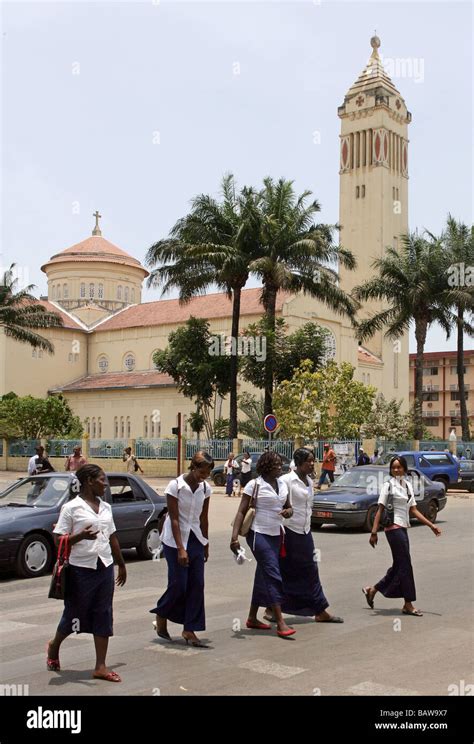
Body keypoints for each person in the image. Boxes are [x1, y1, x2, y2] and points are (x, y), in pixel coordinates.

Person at [47, 464, 127, 682]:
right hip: (80, 570)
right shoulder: (71, 508)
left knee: (104, 612)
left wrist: (120, 563)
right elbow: (58, 540)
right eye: (102, 480)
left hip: (104, 567)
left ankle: (100, 666)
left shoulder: (106, 508)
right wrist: (80, 536)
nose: (106, 484)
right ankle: (54, 646)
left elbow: (112, 537)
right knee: (74, 614)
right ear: (90, 481)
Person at [264, 448, 343, 625]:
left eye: (313, 460)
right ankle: (272, 607)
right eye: (308, 461)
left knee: (310, 569)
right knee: (286, 570)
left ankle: (319, 609)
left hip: (305, 531)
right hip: (289, 531)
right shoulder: (286, 481)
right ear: (299, 463)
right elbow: (276, 502)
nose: (312, 463)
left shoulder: (309, 481)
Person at [362, 455, 442, 616]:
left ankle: (372, 589)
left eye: (399, 467)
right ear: (391, 470)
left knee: (400, 564)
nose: (396, 470)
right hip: (393, 528)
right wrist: (373, 532)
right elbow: (380, 509)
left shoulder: (407, 486)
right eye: (394, 467)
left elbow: (413, 510)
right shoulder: (388, 486)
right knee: (405, 565)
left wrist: (431, 525)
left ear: (405, 469)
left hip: (403, 527)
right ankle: (408, 603)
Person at [149, 451, 214, 647]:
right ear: (193, 468)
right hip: (174, 540)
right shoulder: (175, 486)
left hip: (195, 537)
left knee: (197, 585)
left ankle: (189, 629)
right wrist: (180, 549)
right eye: (201, 472)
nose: (204, 477)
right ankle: (162, 613)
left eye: (207, 474)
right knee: (179, 585)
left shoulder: (205, 488)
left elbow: (203, 518)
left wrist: (206, 543)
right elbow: (174, 519)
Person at [230, 451, 295, 638]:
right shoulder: (254, 485)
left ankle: (252, 617)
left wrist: (288, 512)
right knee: (273, 574)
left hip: (277, 534)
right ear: (266, 466)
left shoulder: (282, 484)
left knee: (263, 574)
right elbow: (241, 512)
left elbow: (288, 506)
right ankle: (280, 622)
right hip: (258, 534)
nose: (280, 467)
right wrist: (234, 538)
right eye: (276, 464)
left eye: (280, 464)